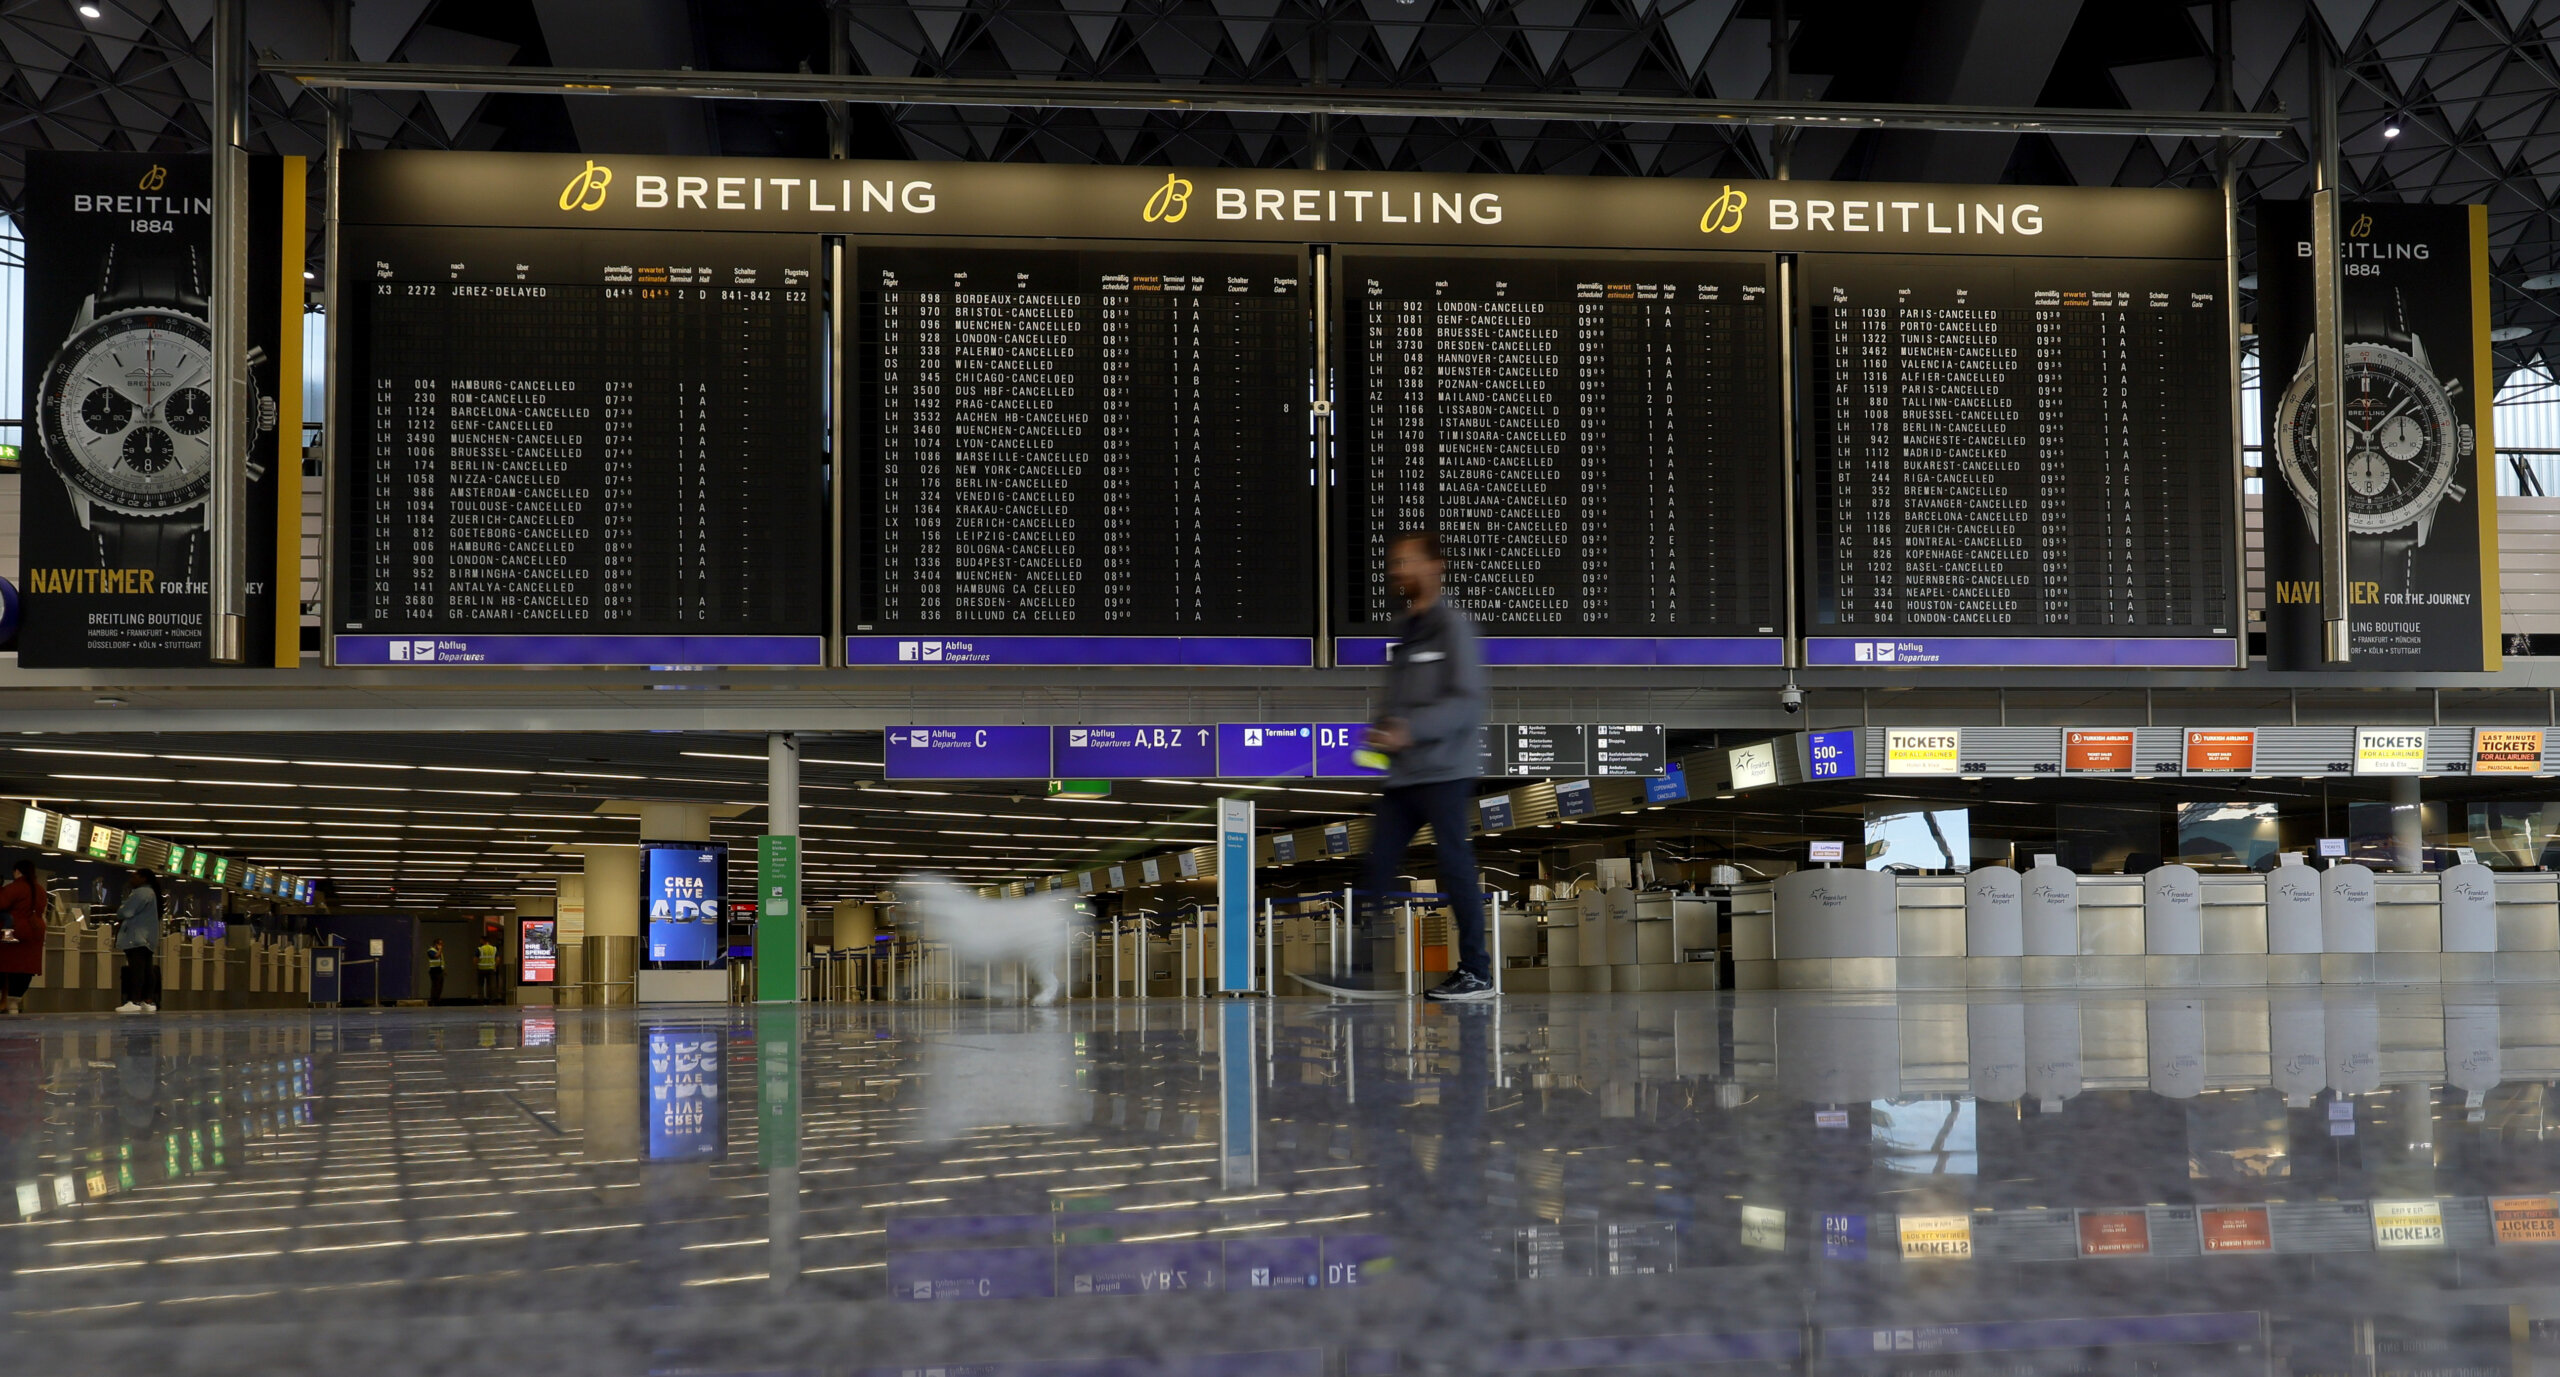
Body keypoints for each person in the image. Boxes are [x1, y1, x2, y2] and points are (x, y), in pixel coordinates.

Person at [1360, 530, 1495, 1003]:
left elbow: (1467, 702)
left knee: (1455, 864)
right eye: (1394, 562)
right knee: (1377, 863)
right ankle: (1359, 971)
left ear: (1435, 567)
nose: (1398, 570)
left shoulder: (1452, 626)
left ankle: (1477, 972)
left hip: (1445, 770)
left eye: (1407, 561)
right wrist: (1381, 730)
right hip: (1404, 775)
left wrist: (1411, 729)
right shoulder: (1406, 630)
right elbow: (1398, 701)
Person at [0, 862, 47, 1015]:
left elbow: (2, 903)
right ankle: (14, 1002)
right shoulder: (40, 890)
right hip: (35, 931)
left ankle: (5, 1001)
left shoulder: (15, 887)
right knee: (25, 969)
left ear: (18, 871)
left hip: (15, 931)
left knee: (7, 967)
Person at [115, 871, 161, 1014]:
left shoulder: (141, 893)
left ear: (143, 878)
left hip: (136, 936)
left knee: (136, 969)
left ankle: (134, 1001)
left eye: (135, 876)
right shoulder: (152, 893)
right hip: (147, 937)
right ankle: (147, 1001)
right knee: (147, 969)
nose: (132, 879)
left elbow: (126, 912)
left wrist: (121, 909)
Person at [476, 936, 499, 1002]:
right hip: (491, 969)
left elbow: (475, 959)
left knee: (480, 985)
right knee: (491, 985)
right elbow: (498, 959)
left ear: (483, 940)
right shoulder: (494, 949)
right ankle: (492, 999)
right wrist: (495, 966)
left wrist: (476, 966)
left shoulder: (480, 949)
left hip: (481, 969)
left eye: (481, 940)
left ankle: (480, 999)